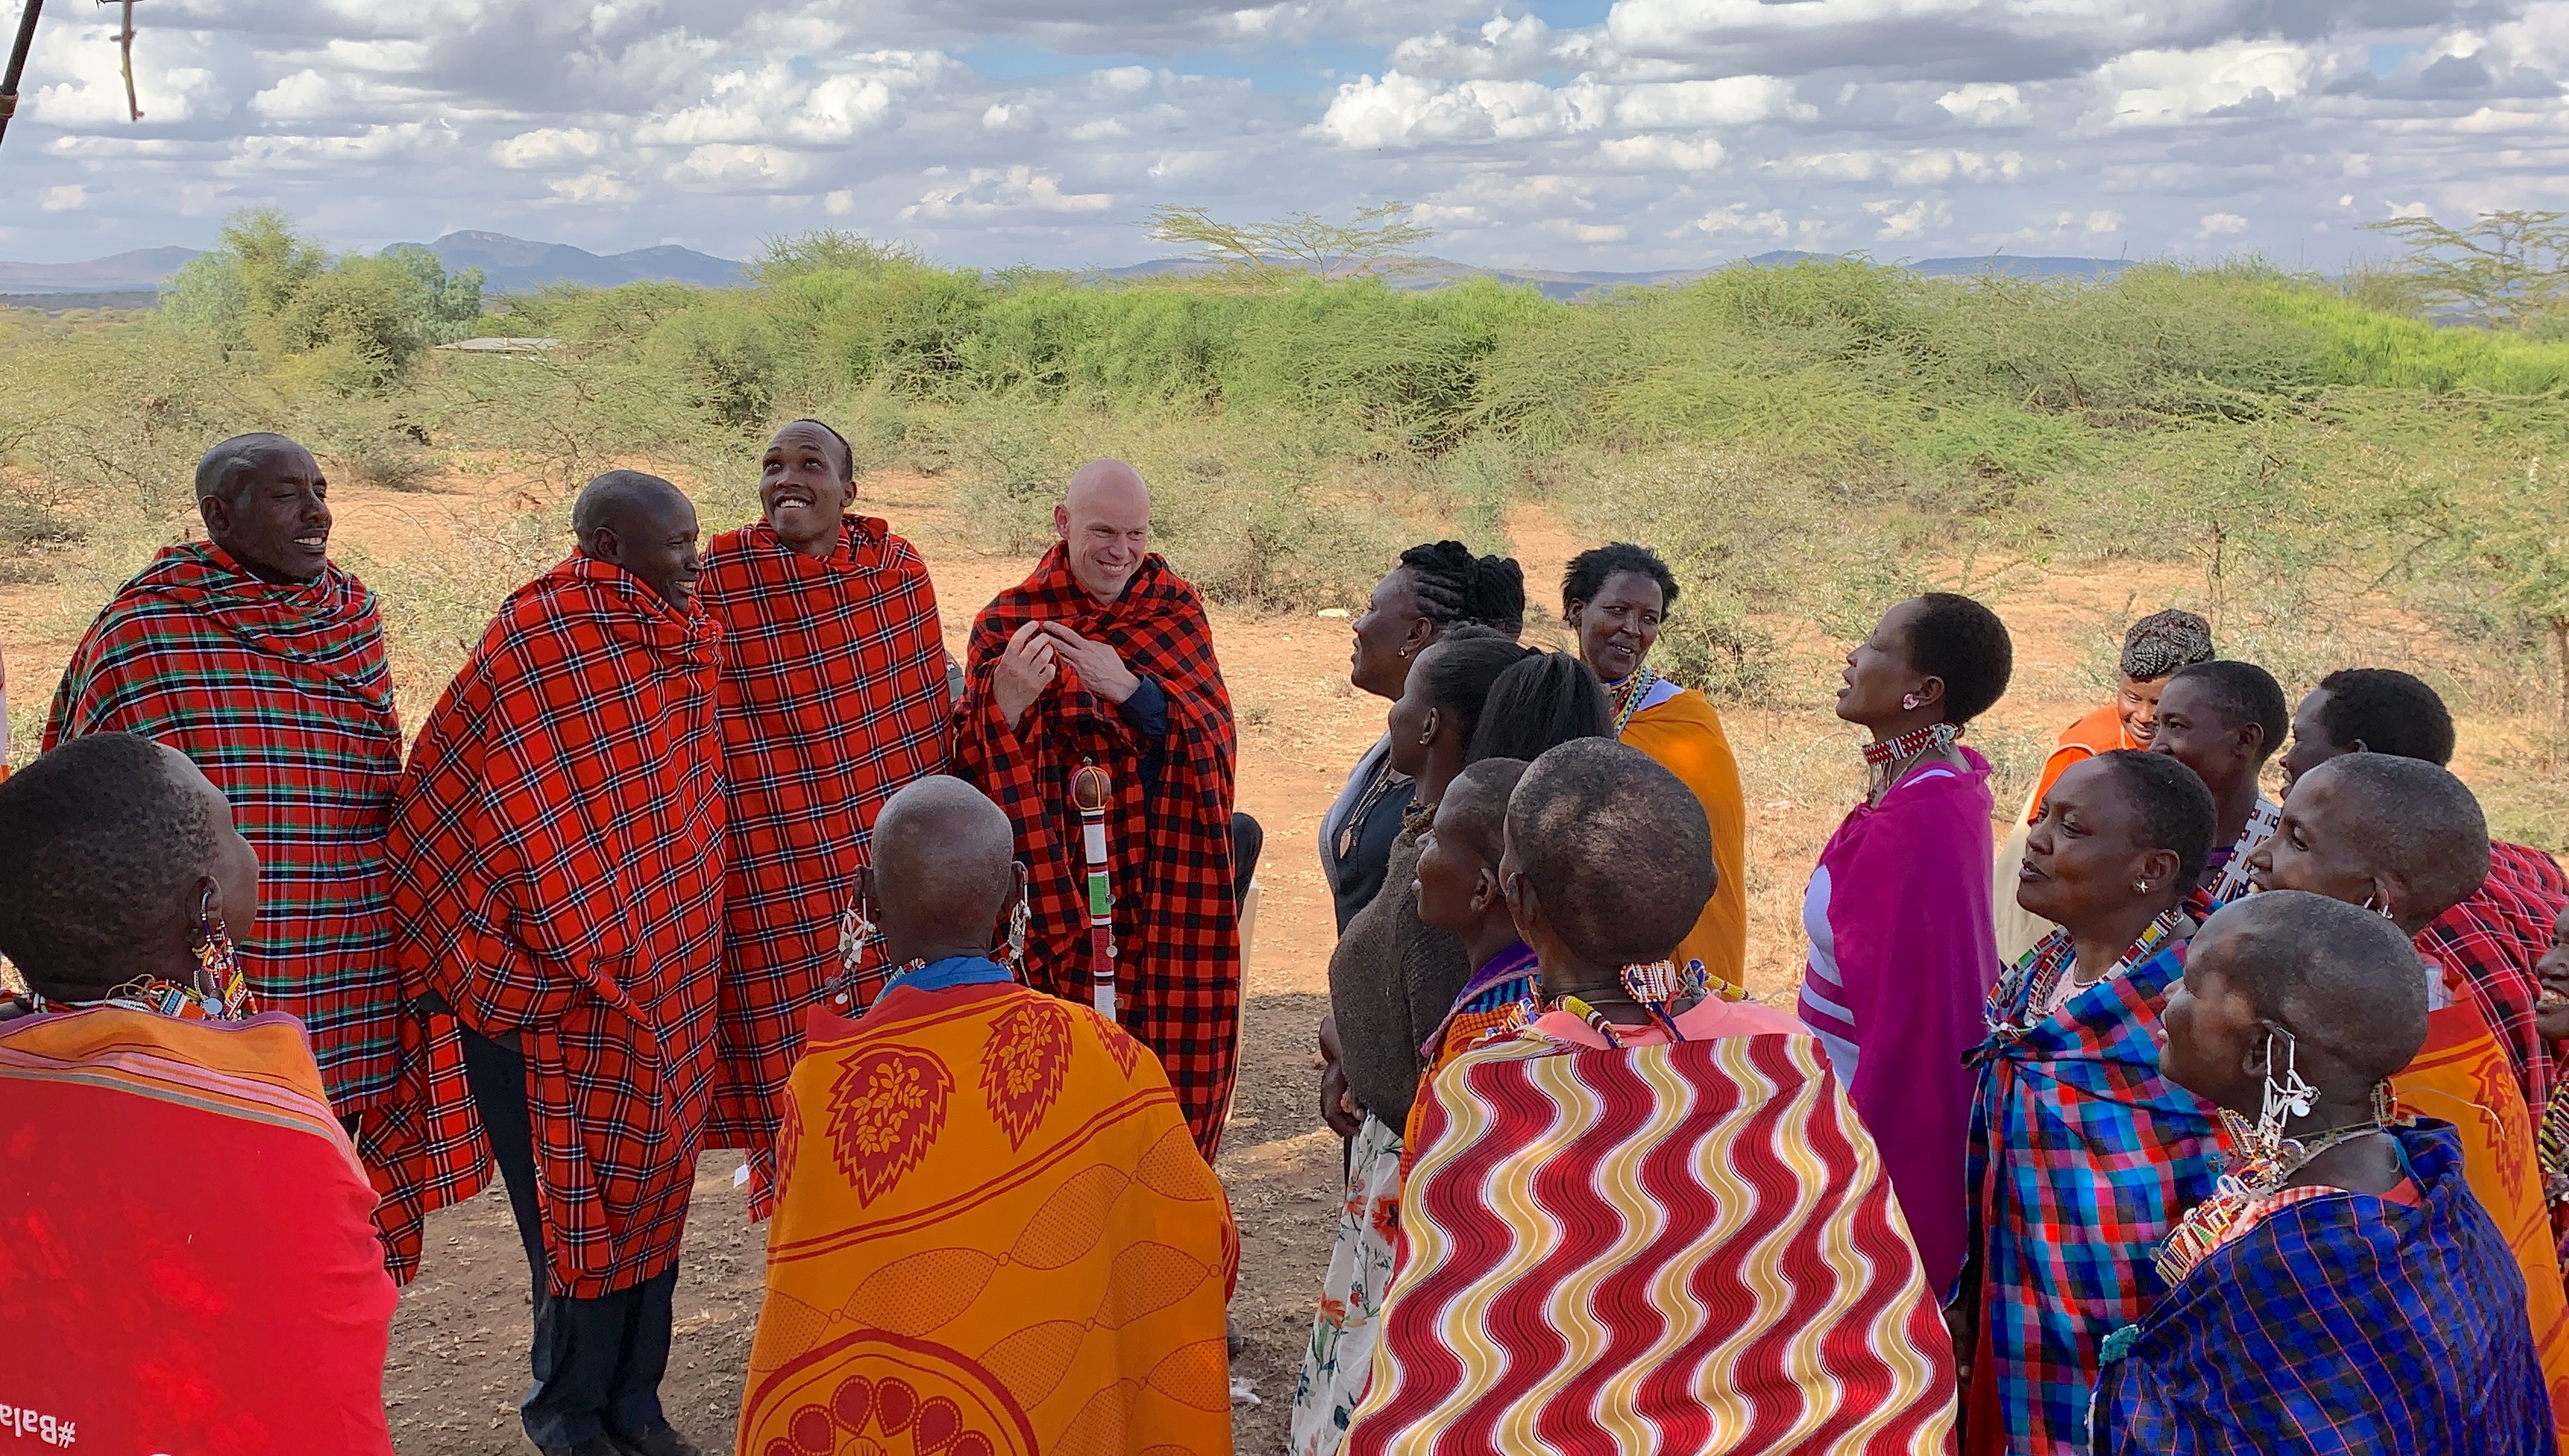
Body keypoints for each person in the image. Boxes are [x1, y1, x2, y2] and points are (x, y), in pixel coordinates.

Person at [1342, 740, 1958, 1454]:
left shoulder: (1491, 1089)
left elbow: (1448, 1384)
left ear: (1518, 898)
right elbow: (1872, 1327)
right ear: (1704, 894)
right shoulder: (1788, 1060)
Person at [42, 430, 486, 1278]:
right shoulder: (148, 632)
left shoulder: (351, 616)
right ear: (220, 514)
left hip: (350, 950)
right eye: (288, 495)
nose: (317, 511)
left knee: (331, 1173)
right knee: (219, 1186)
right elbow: (92, 815)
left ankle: (320, 1330)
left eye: (320, 489)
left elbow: (374, 779)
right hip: (211, 970)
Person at [738, 776, 1234, 1455]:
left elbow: (811, 1295)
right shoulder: (1109, 1057)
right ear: (1011, 893)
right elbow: (1199, 1239)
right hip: (1058, 1413)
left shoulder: (821, 1088)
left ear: (866, 897)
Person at [388, 470, 725, 1456]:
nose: (693, 559)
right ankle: (567, 1409)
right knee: (569, 1218)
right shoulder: (540, 642)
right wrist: (520, 968)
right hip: (547, 1001)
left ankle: (636, 1402)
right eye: (677, 544)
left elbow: (672, 807)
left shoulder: (685, 642)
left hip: (663, 982)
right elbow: (441, 814)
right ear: (609, 545)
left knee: (656, 1191)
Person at [0, 734, 397, 1452]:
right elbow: (319, 1391)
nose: (249, 847)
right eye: (232, 827)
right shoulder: (272, 1137)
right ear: (205, 905)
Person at [2093, 891, 2555, 1455]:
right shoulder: (2427, 1184)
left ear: (2265, 1050)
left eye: (2190, 984)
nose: (2166, 995)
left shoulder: (2291, 1267)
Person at [1293, 638, 1609, 1456]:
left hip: (1424, 1182)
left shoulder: (1475, 916)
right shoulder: (1465, 865)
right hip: (1404, 1166)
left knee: (1395, 1382)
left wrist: (1352, 1051)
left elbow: (1424, 1060)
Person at [2246, 752, 2569, 1425]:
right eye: (2276, 828)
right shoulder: (2440, 1017)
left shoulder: (2394, 1067)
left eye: (2297, 841)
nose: (2262, 856)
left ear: (2377, 895)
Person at [948, 458, 1243, 1161]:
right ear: (1062, 523)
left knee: (1164, 1076)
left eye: (1135, 534)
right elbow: (969, 767)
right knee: (1059, 1077)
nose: (1120, 551)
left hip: (1166, 885)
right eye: (1102, 531)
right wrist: (1006, 706)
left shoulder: (1176, 611)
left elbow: (1216, 737)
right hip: (1058, 886)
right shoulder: (1008, 623)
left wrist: (1134, 690)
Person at [696, 419, 947, 1219]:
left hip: (885, 881)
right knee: (796, 1078)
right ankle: (811, 1252)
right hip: (775, 880)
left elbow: (918, 722)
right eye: (772, 465)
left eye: (811, 464)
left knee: (901, 1070)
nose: (788, 478)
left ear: (849, 490)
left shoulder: (896, 574)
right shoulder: (721, 575)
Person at [1957, 749, 2225, 1456]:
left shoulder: (2199, 1016)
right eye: (2042, 815)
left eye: (2071, 827)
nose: (2036, 838)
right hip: (2019, 1325)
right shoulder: (2037, 979)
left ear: (2152, 870)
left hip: (2143, 1364)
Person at [1800, 592, 2013, 1300]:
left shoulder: (1925, 818)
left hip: (1866, 1139)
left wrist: (1856, 1187)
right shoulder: (1919, 788)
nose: (1853, 655)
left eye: (1876, 645)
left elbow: (1913, 1040)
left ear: (1924, 692)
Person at [2281, 666, 2564, 1110]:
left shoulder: (2378, 937)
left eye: (2299, 740)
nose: (2286, 759)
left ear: (2352, 757)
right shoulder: (2535, 868)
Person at [1561, 542, 1749, 993]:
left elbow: (1712, 839)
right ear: (1576, 611)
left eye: (1650, 619)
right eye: (1618, 610)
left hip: (1667, 940)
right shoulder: (1548, 696)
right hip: (1568, 933)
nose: (1632, 630)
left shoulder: (1684, 717)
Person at [1992, 609, 2215, 964]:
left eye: (2158, 704)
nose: (2143, 716)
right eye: (2131, 697)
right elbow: (2045, 845)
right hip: (2040, 930)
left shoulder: (2186, 749)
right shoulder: (2089, 750)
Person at [1327, 541, 1524, 932]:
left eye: (1370, 609)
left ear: (1416, 633)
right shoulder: (1396, 751)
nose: (1357, 625)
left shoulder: (1460, 776)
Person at [2146, 659, 2288, 915]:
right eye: (2158, 727)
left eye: (2176, 726)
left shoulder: (2284, 856)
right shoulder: (2139, 831)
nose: (2157, 746)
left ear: (2244, 740)